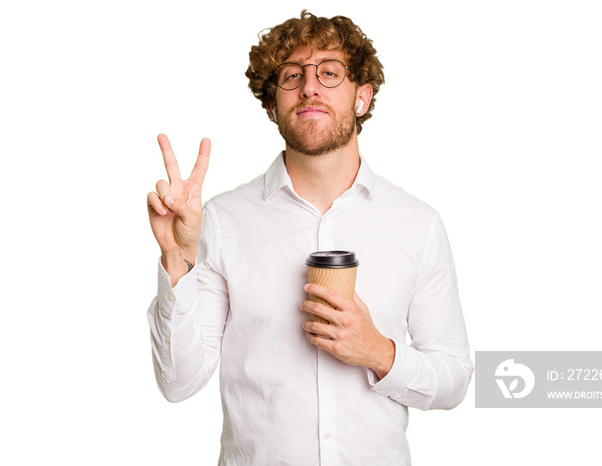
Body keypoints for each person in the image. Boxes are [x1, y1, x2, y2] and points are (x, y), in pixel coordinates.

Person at [146, 10, 473, 465]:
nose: (310, 87)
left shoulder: (417, 224)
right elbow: (178, 381)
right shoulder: (220, 220)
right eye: (292, 75)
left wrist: (379, 353)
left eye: (330, 72)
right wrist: (178, 258)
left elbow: (454, 377)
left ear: (362, 97)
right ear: (271, 104)